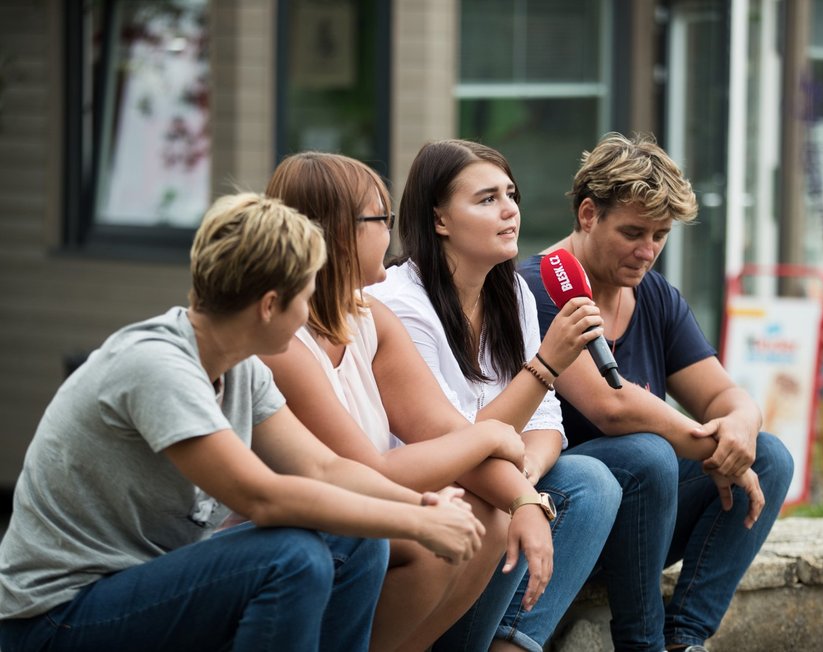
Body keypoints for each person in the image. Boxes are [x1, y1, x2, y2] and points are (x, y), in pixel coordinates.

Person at [0, 193, 484, 652]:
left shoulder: (240, 366)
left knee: (359, 540)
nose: (311, 311)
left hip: (142, 585)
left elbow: (323, 469)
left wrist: (423, 505)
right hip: (55, 618)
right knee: (291, 558)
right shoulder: (157, 367)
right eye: (307, 294)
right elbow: (263, 498)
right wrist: (418, 522)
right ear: (270, 304)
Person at [261, 152, 564, 652]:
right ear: (338, 232)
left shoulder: (369, 316)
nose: (393, 233)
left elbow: (443, 430)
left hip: (357, 514)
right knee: (440, 531)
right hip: (296, 529)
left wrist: (524, 499)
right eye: (382, 219)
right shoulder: (284, 342)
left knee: (491, 518)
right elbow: (366, 473)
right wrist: (490, 433)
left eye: (511, 196)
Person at [517, 132, 794, 652]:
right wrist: (721, 449)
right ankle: (641, 644)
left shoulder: (654, 295)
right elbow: (611, 406)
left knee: (771, 455)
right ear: (586, 215)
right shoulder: (535, 288)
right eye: (632, 232)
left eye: (661, 235)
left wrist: (740, 427)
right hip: (568, 514)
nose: (647, 252)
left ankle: (683, 641)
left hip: (645, 522)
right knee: (646, 452)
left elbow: (726, 397)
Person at [369, 139, 622, 652]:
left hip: (494, 474)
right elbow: (457, 441)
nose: (510, 210)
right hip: (420, 486)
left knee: (595, 481)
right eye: (486, 199)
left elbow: (547, 418)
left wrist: (520, 479)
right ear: (439, 220)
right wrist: (548, 364)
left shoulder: (512, 291)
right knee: (495, 504)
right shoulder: (399, 304)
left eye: (512, 194)